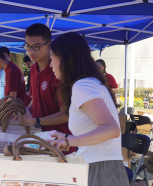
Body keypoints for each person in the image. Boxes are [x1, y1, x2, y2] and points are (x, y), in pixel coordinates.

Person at [47, 32, 129, 186]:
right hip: (100, 167)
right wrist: (64, 136)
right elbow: (94, 129)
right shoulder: (87, 83)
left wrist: (69, 140)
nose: (51, 65)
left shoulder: (83, 85)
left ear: (65, 58)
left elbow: (111, 129)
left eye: (52, 58)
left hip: (102, 170)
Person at [19, 23, 75, 154]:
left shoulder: (58, 72)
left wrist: (35, 120)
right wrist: (25, 112)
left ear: (49, 45)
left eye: (36, 47)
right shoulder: (33, 69)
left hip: (60, 145)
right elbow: (36, 99)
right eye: (27, 46)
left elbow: (66, 114)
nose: (31, 51)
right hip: (39, 142)